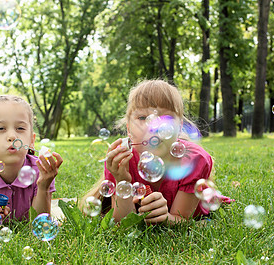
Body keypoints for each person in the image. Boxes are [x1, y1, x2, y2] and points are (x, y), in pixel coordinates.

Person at [83, 79, 233, 224]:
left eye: (165, 118)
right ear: (128, 129)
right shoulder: (120, 160)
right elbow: (122, 223)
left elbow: (182, 219)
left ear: (179, 126)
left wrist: (167, 218)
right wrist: (122, 179)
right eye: (143, 117)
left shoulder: (194, 159)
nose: (154, 126)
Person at [0, 95, 63, 221]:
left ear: (31, 141)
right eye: (1, 128)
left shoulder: (41, 170)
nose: (12, 136)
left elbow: (40, 222)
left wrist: (44, 186)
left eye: (20, 128)